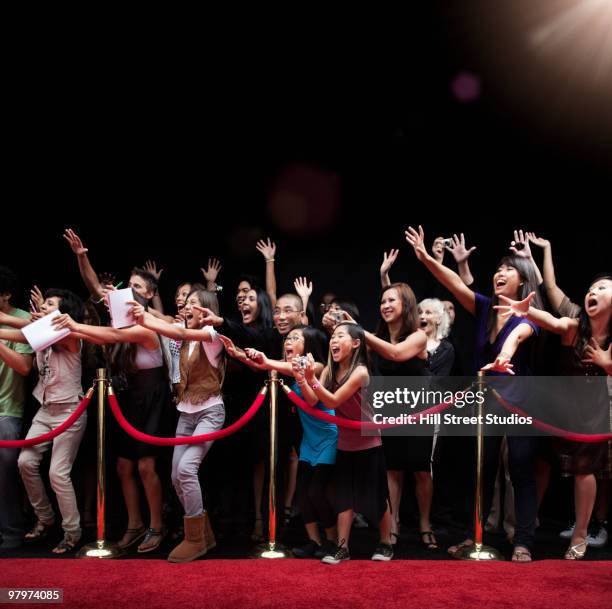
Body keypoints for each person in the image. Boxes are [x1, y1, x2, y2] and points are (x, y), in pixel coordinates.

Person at [406, 224, 542, 562]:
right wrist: (424, 258)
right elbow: (452, 282)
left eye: (508, 270)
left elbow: (517, 337)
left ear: (522, 282)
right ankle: (475, 535)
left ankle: (523, 540)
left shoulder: (527, 316)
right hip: (487, 402)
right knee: (482, 467)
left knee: (522, 467)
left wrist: (503, 358)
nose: (500, 272)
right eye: (498, 268)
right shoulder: (483, 308)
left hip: (521, 402)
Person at [495, 273, 611, 559]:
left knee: (584, 471)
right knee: (542, 464)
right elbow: (555, 322)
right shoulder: (575, 328)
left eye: (601, 288)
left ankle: (580, 534)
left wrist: (607, 363)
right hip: (557, 408)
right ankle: (527, 524)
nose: (592, 291)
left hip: (591, 414)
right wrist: (527, 311)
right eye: (590, 287)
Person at [130, 289, 225, 562]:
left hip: (210, 412)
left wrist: (144, 316)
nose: (186, 306)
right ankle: (203, 534)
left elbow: (178, 333)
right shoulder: (184, 331)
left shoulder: (211, 335)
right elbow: (164, 324)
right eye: (186, 303)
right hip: (186, 413)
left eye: (193, 303)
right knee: (175, 476)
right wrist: (134, 307)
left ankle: (194, 539)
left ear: (206, 309)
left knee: (186, 469)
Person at [297, 322, 393, 563]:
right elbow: (311, 400)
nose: (334, 341)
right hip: (345, 443)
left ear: (356, 343)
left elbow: (332, 402)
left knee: (376, 497)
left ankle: (386, 543)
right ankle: (342, 548)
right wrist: (302, 380)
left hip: (369, 443)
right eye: (333, 337)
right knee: (344, 498)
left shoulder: (360, 371)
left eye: (341, 336)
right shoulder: (330, 370)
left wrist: (313, 380)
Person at [0, 267, 34, 551]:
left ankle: (11, 533)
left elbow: (24, 367)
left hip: (7, 408)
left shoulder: (24, 320)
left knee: (8, 470)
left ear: (6, 294)